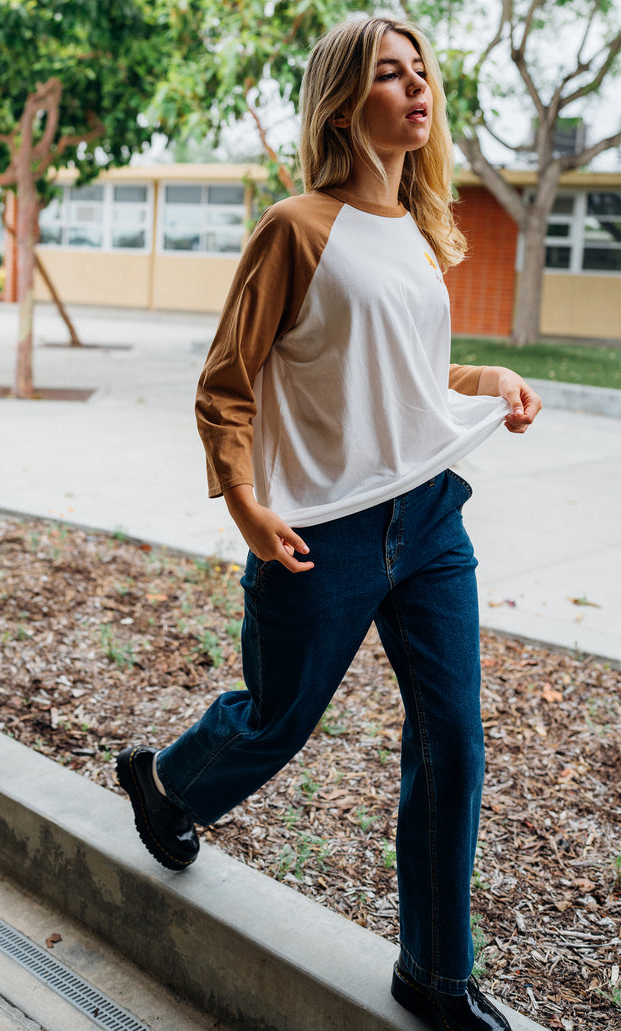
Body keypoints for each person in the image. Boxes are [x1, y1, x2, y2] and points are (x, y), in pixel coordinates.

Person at [117, 16, 541, 1031]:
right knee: (278, 717)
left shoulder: (419, 230)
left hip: (429, 515)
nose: (416, 89)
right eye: (390, 75)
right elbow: (226, 380)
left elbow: (401, 382)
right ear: (346, 101)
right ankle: (167, 782)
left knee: (453, 737)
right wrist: (247, 501)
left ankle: (436, 974)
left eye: (422, 72)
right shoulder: (296, 226)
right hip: (326, 528)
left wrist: (491, 379)